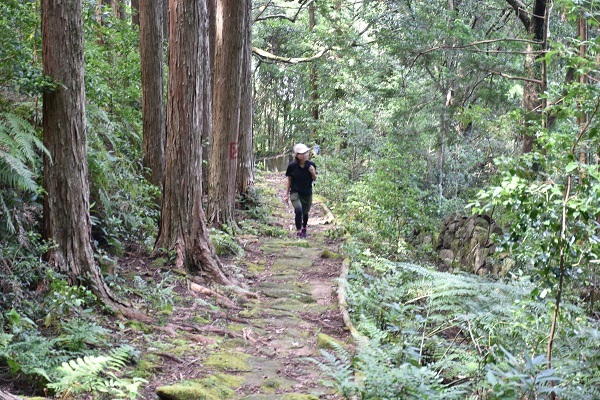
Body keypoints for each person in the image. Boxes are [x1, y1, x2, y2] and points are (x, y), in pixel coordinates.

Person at [284, 143, 317, 238]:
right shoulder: (292, 166)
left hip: (307, 192)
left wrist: (313, 173)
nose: (306, 154)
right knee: (298, 210)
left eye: (306, 152)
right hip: (295, 192)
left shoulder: (311, 165)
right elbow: (289, 180)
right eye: (303, 153)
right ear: (297, 155)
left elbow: (314, 179)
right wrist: (286, 195)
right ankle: (298, 231)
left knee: (305, 213)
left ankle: (304, 228)